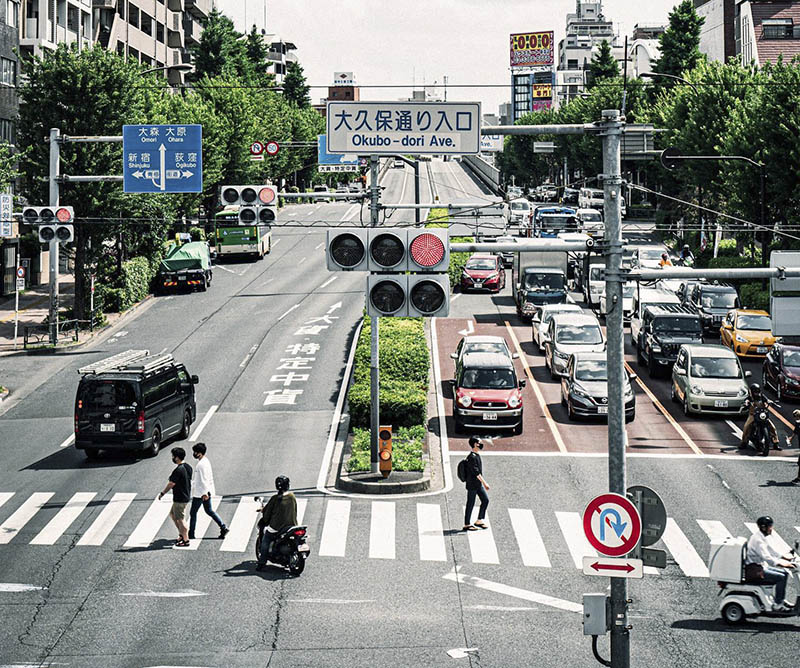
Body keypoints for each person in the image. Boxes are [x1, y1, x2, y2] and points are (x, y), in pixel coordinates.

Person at [745, 516, 797, 611]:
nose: (771, 528)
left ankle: (780, 599)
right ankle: (778, 605)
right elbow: (767, 557)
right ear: (763, 527)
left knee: (784, 573)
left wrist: (784, 556)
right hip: (755, 571)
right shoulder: (758, 540)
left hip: (759, 567)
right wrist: (783, 564)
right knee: (780, 577)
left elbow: (771, 549)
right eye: (770, 526)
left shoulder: (761, 536)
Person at [255, 475, 298, 570]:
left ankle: (262, 562)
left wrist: (264, 513)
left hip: (277, 527)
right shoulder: (292, 496)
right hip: (292, 525)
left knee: (266, 539)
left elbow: (267, 513)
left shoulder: (275, 498)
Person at [188, 442, 228, 540]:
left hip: (200, 493)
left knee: (193, 513)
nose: (194, 454)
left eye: (195, 452)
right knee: (209, 511)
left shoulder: (201, 465)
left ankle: (191, 534)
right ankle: (223, 527)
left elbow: (203, 479)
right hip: (206, 492)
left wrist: (204, 493)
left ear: (200, 453)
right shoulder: (206, 461)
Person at [158, 447, 192, 547]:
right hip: (184, 495)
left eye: (173, 456)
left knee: (181, 519)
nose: (172, 458)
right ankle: (181, 534)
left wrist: (162, 493)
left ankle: (186, 540)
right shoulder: (188, 467)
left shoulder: (178, 470)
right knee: (173, 514)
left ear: (177, 458)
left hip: (180, 498)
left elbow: (171, 484)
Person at [740, 384, 780, 451]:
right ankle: (744, 442)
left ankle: (775, 443)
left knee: (772, 427)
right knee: (746, 427)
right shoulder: (750, 398)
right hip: (753, 415)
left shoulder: (762, 396)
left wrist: (770, 402)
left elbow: (767, 400)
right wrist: (746, 404)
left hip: (762, 415)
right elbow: (746, 401)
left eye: (757, 391)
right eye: (755, 391)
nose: (756, 393)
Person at [463, 436, 490, 532]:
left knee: (485, 500)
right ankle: (467, 524)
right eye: (480, 442)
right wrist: (485, 483)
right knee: (470, 503)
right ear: (475, 444)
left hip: (477, 484)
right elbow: (476, 472)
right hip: (472, 484)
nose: (481, 444)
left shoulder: (476, 455)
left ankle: (479, 520)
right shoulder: (471, 457)